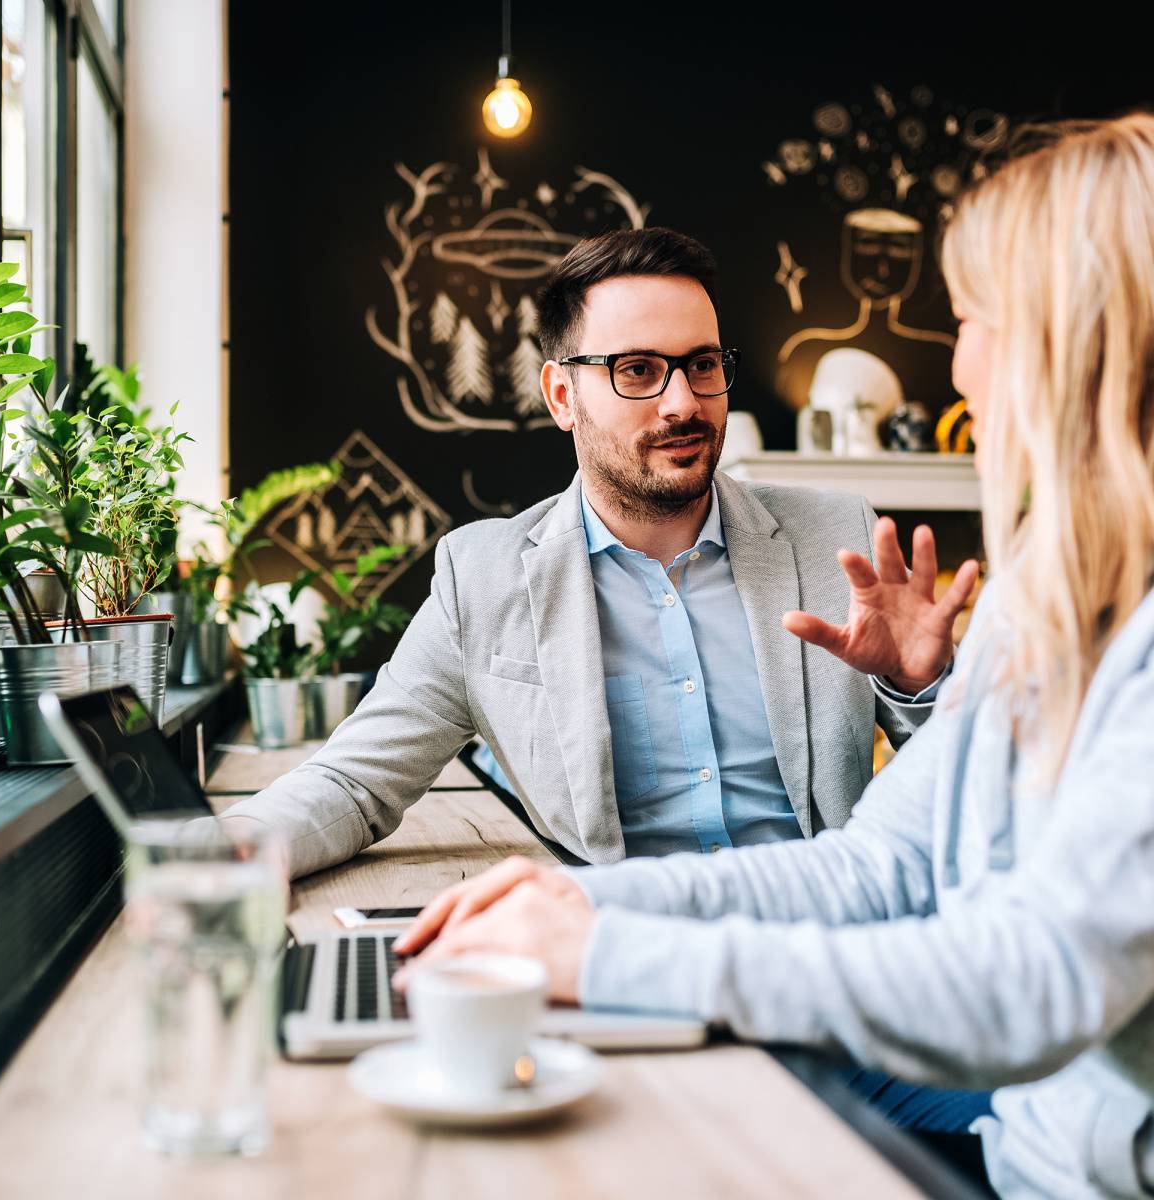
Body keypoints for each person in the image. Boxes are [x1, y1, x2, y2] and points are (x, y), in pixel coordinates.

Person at [394, 115, 1154, 1199]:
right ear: (562, 394)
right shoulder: (1050, 584)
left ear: (1079, 337)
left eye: (977, 316)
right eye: (640, 369)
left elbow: (1031, 979)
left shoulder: (866, 537)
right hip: (1015, 1146)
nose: (959, 359)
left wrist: (607, 958)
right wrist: (580, 910)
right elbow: (879, 863)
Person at [221, 227, 976, 879]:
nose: (683, 402)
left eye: (702, 364)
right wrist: (202, 858)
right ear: (560, 396)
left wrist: (922, 688)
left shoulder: (835, 536)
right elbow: (356, 784)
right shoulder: (483, 579)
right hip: (624, 962)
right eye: (638, 370)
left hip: (822, 946)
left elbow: (969, 790)